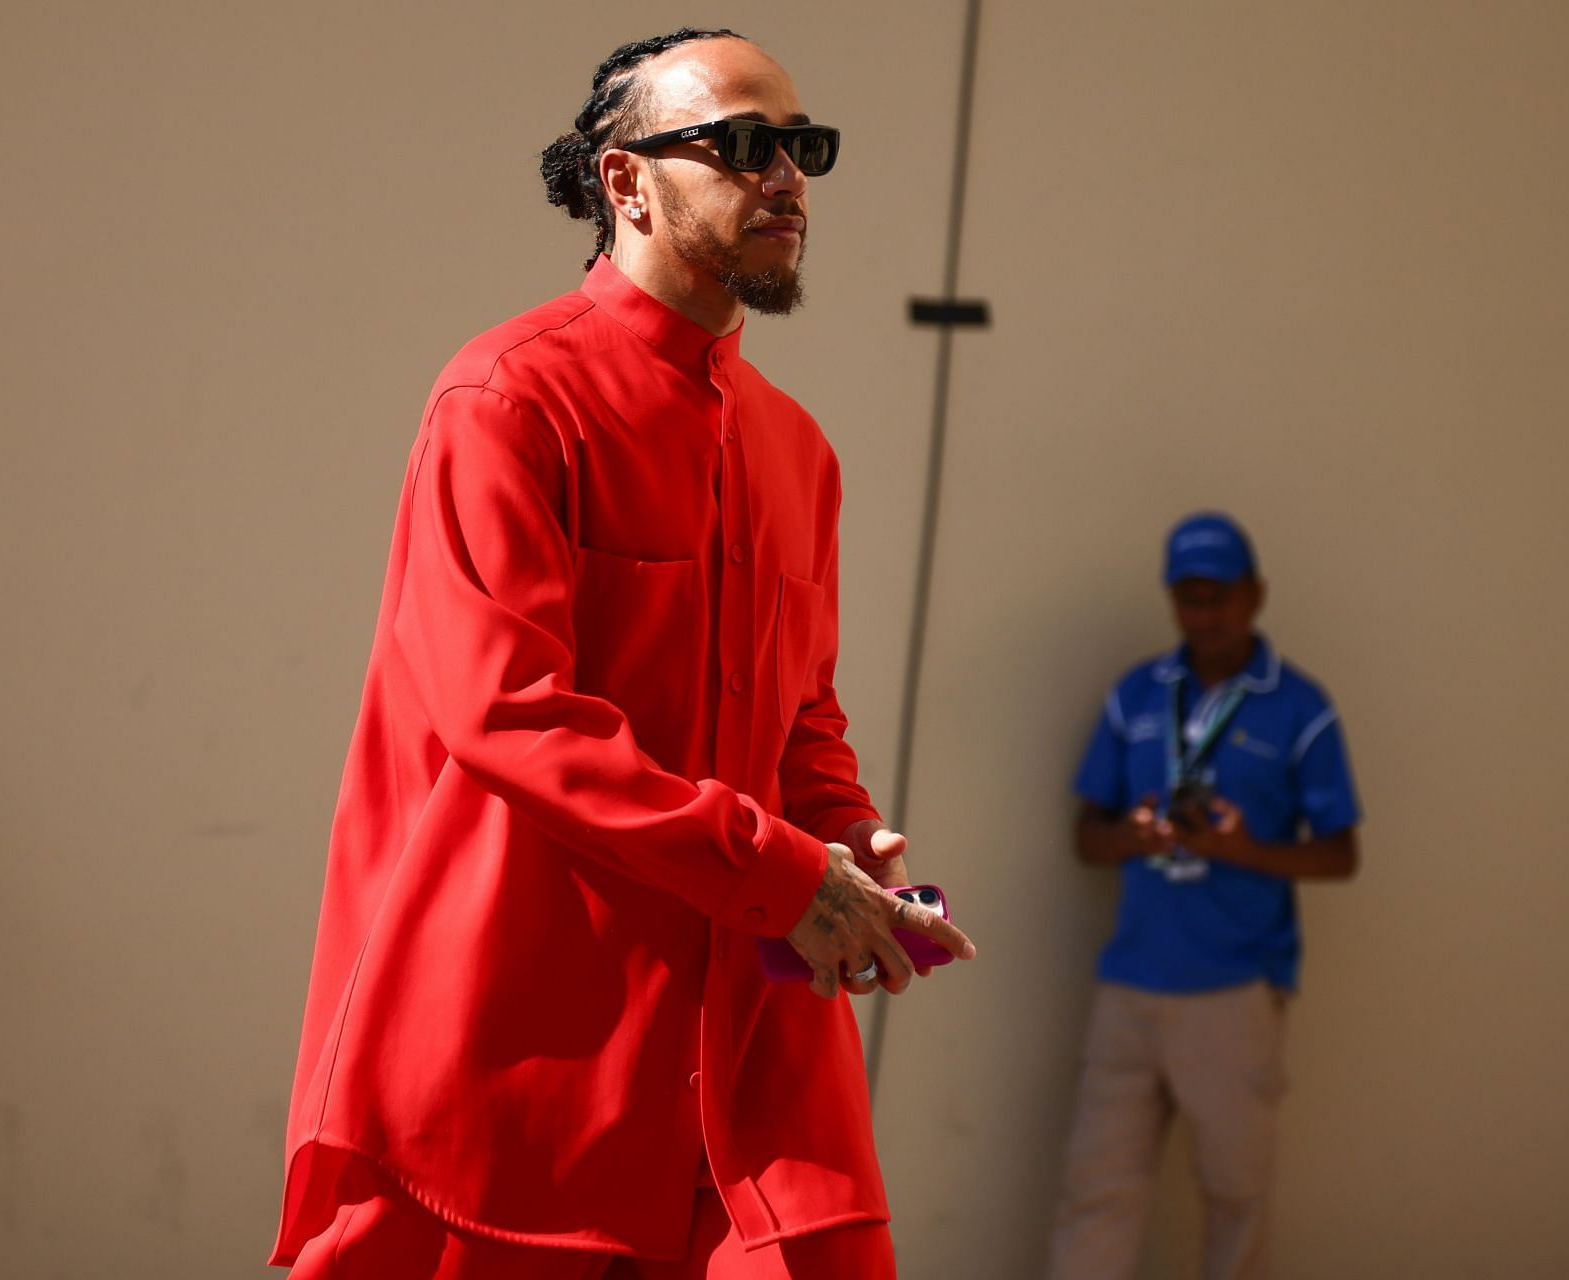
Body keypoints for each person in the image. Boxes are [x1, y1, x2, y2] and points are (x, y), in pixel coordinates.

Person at [268, 27, 974, 1280]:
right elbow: (511, 714)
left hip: (750, 1047)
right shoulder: (506, 401)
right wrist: (782, 870)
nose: (787, 177)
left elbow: (801, 712)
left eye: (801, 148)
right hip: (522, 1048)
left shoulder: (797, 449)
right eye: (743, 145)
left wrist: (849, 849)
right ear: (625, 180)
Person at [1047, 512, 1360, 1280]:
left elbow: (1341, 853)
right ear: (1171, 600)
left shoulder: (1301, 709)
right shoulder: (1137, 697)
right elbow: (1088, 836)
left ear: (1255, 595)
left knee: (1236, 1200)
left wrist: (1238, 848)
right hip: (1130, 987)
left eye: (1220, 596)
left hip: (1234, 994)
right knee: (1096, 1192)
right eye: (1189, 598)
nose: (1206, 614)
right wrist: (1138, 835)